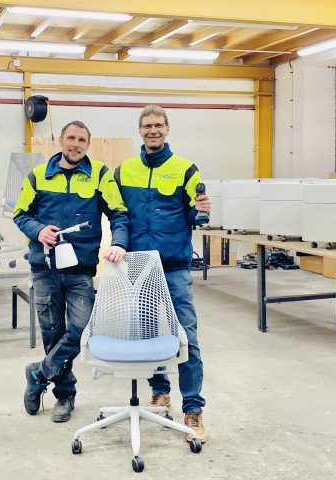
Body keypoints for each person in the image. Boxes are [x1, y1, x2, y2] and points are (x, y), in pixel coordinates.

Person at [13, 120, 129, 423]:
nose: (75, 144)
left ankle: (38, 373)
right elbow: (21, 214)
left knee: (81, 329)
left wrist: (118, 243)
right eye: (71, 138)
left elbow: (119, 213)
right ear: (61, 141)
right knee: (53, 334)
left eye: (81, 140)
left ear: (87, 145)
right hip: (45, 268)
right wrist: (39, 231)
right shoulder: (38, 176)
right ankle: (65, 395)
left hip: (80, 270)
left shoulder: (100, 175)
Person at [113, 105, 210, 443]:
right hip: (139, 268)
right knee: (147, 334)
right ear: (139, 130)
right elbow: (117, 213)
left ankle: (193, 409)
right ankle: (160, 391)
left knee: (187, 338)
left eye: (158, 125)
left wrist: (201, 211)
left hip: (174, 268)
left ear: (167, 129)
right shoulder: (124, 171)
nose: (152, 130)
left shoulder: (185, 169)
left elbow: (196, 213)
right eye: (147, 125)